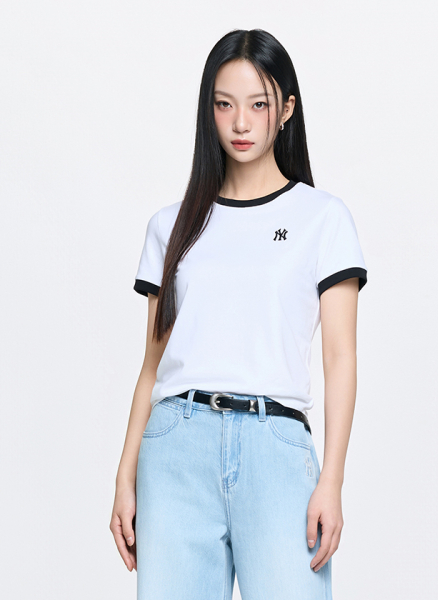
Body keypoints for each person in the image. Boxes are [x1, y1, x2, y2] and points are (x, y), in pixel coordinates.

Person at [110, 28, 368, 600]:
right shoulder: (171, 225)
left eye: (259, 104)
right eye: (225, 105)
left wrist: (332, 480)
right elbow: (151, 367)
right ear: (209, 111)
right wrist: (125, 476)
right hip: (175, 449)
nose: (241, 123)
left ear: (287, 110)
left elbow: (340, 357)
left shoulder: (322, 219)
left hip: (275, 448)